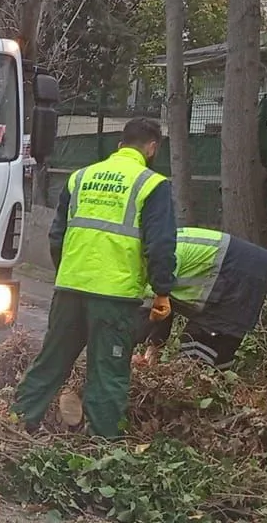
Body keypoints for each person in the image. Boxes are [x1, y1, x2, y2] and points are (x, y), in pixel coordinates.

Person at [12, 117, 177, 436]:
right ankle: (102, 446)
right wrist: (162, 291)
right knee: (108, 372)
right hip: (115, 297)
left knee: (50, 362)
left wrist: (69, 271)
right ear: (152, 147)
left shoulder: (80, 177)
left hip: (70, 288)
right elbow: (160, 244)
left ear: (120, 145)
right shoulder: (152, 185)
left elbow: (56, 236)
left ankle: (16, 422)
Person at [135, 227, 267, 370]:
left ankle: (214, 376)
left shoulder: (156, 258)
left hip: (239, 274)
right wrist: (153, 345)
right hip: (233, 273)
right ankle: (219, 375)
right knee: (198, 353)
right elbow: (162, 309)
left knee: (196, 355)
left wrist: (129, 349)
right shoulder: (154, 245)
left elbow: (152, 309)